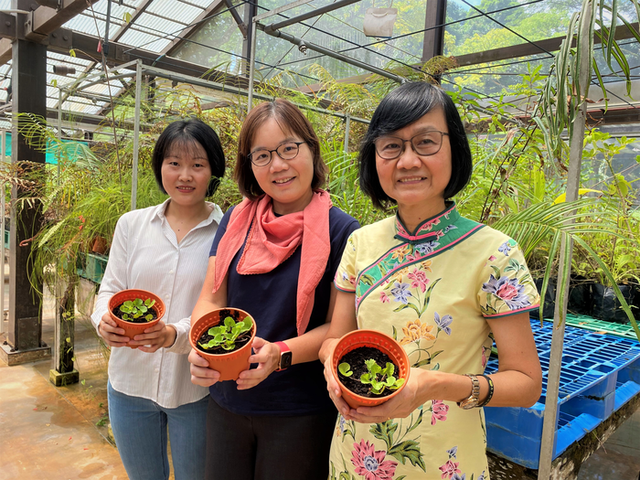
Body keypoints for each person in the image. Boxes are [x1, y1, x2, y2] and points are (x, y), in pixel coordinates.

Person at [319, 82, 543, 480]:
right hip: (355, 454)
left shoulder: (494, 254)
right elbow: (335, 341)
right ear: (375, 158)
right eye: (391, 146)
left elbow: (525, 384)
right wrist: (330, 368)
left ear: (454, 149)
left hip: (445, 462)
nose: (407, 161)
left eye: (425, 142)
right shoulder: (360, 243)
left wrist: (435, 385)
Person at [188, 98, 360, 480]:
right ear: (249, 165)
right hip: (227, 399)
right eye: (262, 155)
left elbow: (338, 330)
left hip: (299, 409)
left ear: (311, 151)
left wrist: (278, 354)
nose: (278, 165)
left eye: (288, 149)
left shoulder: (343, 232)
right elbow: (211, 297)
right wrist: (200, 346)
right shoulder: (235, 219)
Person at [90, 118, 226, 480]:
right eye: (174, 163)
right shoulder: (131, 225)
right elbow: (110, 289)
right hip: (129, 384)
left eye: (198, 165)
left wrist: (173, 335)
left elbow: (220, 309)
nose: (185, 175)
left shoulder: (226, 233)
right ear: (160, 167)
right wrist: (103, 319)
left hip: (194, 391)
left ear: (213, 170)